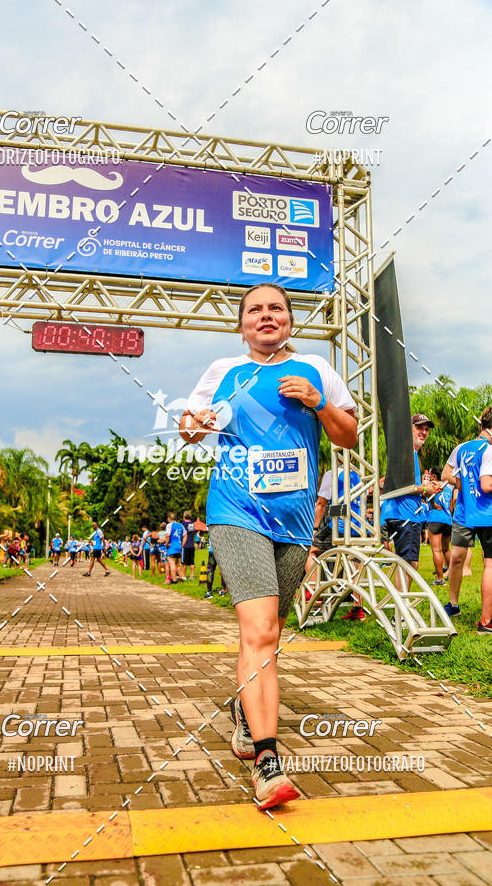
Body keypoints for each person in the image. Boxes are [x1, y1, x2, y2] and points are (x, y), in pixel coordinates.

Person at [179, 283, 357, 810]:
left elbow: (348, 434)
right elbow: (188, 428)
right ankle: (267, 760)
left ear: (290, 320)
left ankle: (242, 709)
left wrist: (320, 402)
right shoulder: (223, 372)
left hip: (295, 522)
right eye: (254, 310)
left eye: (275, 308)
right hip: (236, 512)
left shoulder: (317, 369)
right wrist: (196, 423)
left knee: (268, 631)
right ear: (242, 324)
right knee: (258, 629)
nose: (265, 316)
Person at [442, 407, 492, 630]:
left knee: (472, 560)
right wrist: (471, 489)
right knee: (464, 560)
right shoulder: (473, 449)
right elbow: (447, 475)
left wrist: (469, 488)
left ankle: (478, 610)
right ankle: (461, 608)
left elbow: (450, 477)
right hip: (475, 512)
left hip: (473, 511)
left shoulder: (471, 448)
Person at [380, 413, 440, 589]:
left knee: (407, 564)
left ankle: (401, 611)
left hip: (403, 513)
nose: (424, 432)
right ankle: (400, 613)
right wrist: (425, 489)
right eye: (419, 427)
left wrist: (426, 487)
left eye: (426, 429)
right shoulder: (406, 452)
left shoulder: (409, 453)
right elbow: (401, 485)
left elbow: (406, 485)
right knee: (408, 565)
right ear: (409, 429)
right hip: (404, 515)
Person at [309, 466, 364, 620]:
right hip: (359, 525)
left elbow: (321, 503)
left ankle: (314, 592)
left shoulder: (332, 473)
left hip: (339, 525)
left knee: (311, 550)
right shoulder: (359, 474)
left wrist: (314, 528)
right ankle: (357, 609)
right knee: (356, 566)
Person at [426, 466, 453, 585]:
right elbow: (451, 507)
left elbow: (429, 497)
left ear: (434, 476)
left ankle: (440, 579)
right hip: (447, 519)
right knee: (446, 549)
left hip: (435, 518)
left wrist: (433, 504)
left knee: (436, 550)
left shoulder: (433, 485)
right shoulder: (448, 488)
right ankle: (452, 574)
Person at [165, 512, 184, 584]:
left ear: (169, 518)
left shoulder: (169, 525)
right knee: (178, 563)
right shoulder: (180, 525)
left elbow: (167, 536)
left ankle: (174, 580)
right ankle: (181, 578)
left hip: (172, 546)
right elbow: (185, 535)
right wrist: (182, 544)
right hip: (179, 546)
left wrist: (166, 544)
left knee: (172, 563)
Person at [181, 511, 196, 579]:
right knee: (192, 561)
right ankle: (191, 575)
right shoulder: (192, 524)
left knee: (185, 561)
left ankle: (183, 575)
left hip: (185, 544)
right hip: (192, 544)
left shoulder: (183, 524)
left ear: (184, 517)